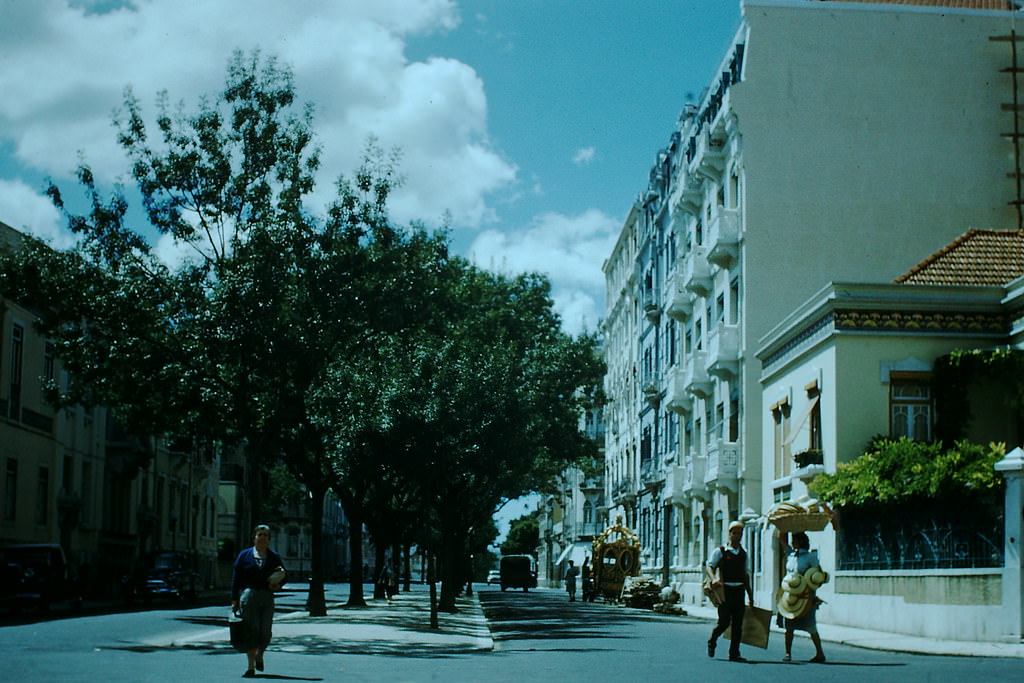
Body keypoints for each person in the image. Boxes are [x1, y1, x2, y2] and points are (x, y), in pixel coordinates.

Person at [231, 524, 287, 678]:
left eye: (265, 536)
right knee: (251, 631)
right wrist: (234, 599)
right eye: (259, 535)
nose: (262, 538)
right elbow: (236, 578)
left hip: (267, 596)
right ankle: (250, 667)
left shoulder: (273, 557)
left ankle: (260, 655)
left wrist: (278, 585)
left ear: (269, 540)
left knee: (265, 632)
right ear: (254, 538)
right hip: (249, 596)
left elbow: (284, 575)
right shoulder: (244, 556)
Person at [706, 520, 754, 662]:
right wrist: (714, 578)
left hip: (739, 590)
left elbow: (746, 575)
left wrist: (750, 595)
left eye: (739, 533)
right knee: (724, 622)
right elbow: (709, 566)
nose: (737, 536)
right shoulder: (720, 551)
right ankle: (712, 640)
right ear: (729, 534)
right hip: (725, 591)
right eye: (734, 533)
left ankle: (734, 653)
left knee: (738, 624)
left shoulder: (743, 554)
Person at [780, 531, 827, 663]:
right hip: (791, 595)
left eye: (794, 539)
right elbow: (781, 538)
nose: (791, 542)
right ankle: (787, 653)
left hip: (805, 595)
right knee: (789, 625)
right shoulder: (791, 555)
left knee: (810, 625)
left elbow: (816, 575)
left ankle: (820, 653)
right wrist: (785, 526)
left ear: (800, 541)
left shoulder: (810, 557)